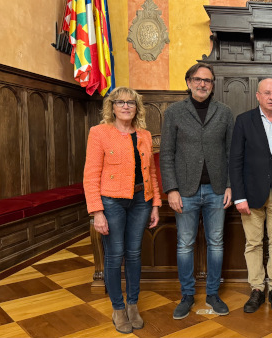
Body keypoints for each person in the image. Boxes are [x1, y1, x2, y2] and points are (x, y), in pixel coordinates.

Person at [83, 87, 161, 334]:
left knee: (135, 254)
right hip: (111, 202)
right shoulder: (99, 133)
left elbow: (151, 173)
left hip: (141, 200)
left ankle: (133, 305)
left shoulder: (145, 135)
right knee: (115, 255)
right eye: (121, 102)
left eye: (131, 102)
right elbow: (91, 175)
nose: (126, 106)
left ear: (137, 107)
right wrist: (97, 212)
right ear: (112, 106)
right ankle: (118, 309)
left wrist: (156, 204)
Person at [160, 62, 234, 319]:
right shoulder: (174, 113)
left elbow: (230, 153)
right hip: (185, 191)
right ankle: (187, 295)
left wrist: (229, 185)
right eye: (198, 79)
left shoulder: (224, 112)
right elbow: (167, 154)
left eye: (208, 80)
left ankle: (213, 294)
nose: (203, 84)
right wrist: (171, 189)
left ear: (213, 85)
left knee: (216, 243)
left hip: (216, 189)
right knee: (184, 244)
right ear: (189, 82)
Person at [229, 78, 272, 313]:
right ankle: (257, 288)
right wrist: (239, 196)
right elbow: (235, 161)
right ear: (257, 96)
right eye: (266, 93)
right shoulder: (243, 121)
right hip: (250, 195)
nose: (271, 97)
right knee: (253, 243)